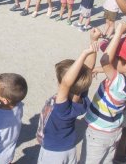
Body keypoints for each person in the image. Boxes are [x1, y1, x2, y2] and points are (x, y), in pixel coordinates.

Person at [79, 22, 126, 164]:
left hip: (98, 133)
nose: (113, 60)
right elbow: (112, 68)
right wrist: (99, 69)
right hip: (113, 131)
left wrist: (118, 32)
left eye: (117, 57)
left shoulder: (119, 83)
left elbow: (106, 60)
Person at [36, 30, 99, 164]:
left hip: (53, 152)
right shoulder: (80, 96)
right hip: (69, 148)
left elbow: (66, 82)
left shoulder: (62, 108)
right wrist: (93, 42)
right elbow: (88, 69)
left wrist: (83, 54)